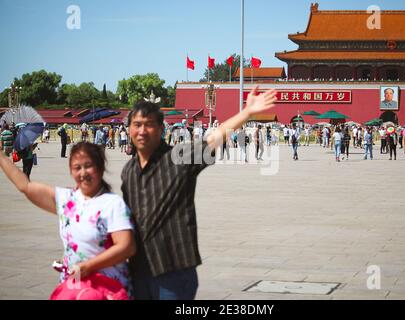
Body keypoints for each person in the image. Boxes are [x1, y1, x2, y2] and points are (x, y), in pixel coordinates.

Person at [121, 86, 277, 300]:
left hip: (173, 271)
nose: (142, 131)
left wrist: (246, 113)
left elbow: (213, 139)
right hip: (138, 271)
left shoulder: (179, 157)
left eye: (149, 125)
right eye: (136, 125)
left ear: (160, 129)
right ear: (129, 129)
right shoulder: (128, 171)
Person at [0, 141, 136, 298]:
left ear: (100, 167)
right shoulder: (67, 200)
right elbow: (25, 186)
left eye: (88, 166)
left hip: (108, 287)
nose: (83, 173)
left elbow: (127, 247)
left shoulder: (112, 204)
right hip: (76, 285)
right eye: (77, 168)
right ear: (71, 171)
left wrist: (89, 266)